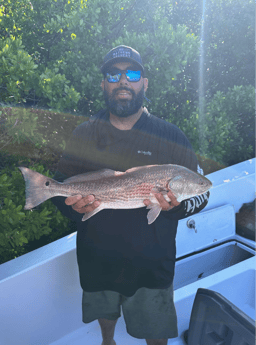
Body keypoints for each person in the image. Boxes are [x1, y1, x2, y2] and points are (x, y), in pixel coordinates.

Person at [52, 45, 210, 345]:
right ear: (104, 84)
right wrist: (74, 206)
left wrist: (174, 207)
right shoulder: (84, 133)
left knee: (156, 335)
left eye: (132, 73)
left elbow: (202, 194)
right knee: (105, 317)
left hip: (151, 268)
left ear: (144, 83)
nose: (123, 80)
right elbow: (61, 187)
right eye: (114, 74)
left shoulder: (171, 136)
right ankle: (107, 341)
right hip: (96, 260)